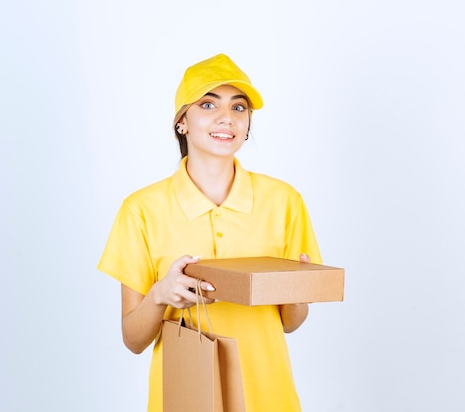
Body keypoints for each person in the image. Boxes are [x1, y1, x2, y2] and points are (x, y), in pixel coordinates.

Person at [97, 53, 322, 411]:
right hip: (186, 395)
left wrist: (297, 291)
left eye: (239, 108)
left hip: (267, 395)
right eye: (207, 104)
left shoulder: (284, 201)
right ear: (182, 122)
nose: (226, 118)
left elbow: (291, 323)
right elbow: (133, 339)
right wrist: (160, 295)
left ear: (248, 124)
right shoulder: (141, 209)